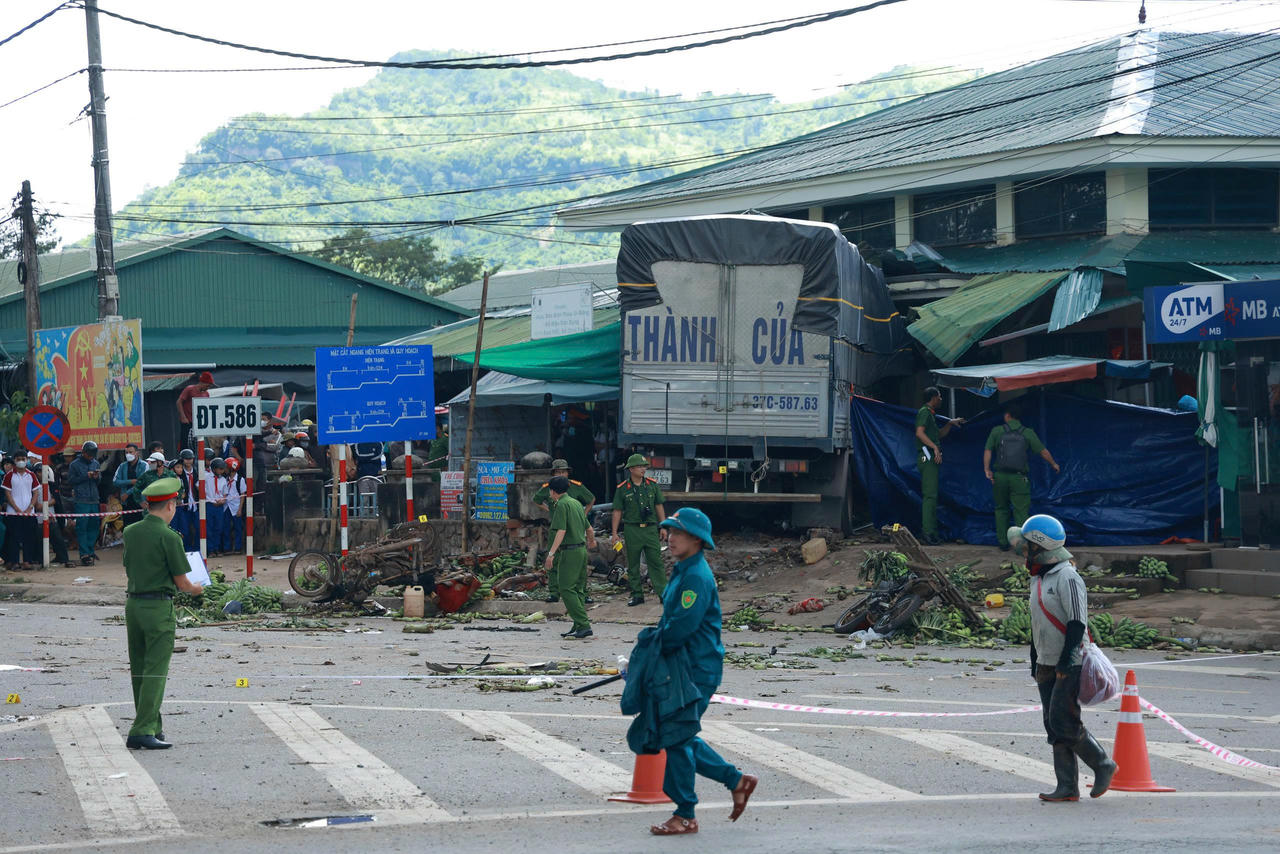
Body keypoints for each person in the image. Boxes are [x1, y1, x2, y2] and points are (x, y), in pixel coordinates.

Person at [646, 507, 757, 835]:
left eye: (677, 532)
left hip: (696, 667)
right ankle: (736, 781)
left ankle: (685, 814)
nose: (671, 537)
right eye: (669, 531)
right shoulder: (683, 568)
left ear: (696, 539)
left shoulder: (695, 575)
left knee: (676, 736)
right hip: (683, 666)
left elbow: (681, 628)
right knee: (678, 735)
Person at [1011, 514, 1116, 802]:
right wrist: (1035, 660)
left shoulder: (1067, 576)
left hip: (1070, 660)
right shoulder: (1039, 577)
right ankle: (1067, 786)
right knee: (1051, 722)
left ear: (1039, 547)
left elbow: (1077, 623)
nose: (1023, 550)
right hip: (1045, 660)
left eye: (1027, 545)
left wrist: (1067, 659)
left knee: (1063, 720)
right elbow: (1037, 624)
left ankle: (1102, 763)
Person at [123, 479, 205, 750]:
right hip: (158, 607)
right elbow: (183, 583)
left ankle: (152, 725)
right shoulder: (170, 537)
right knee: (156, 671)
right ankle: (142, 729)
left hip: (133, 605)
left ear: (148, 505)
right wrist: (197, 590)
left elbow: (128, 566)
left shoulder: (131, 532)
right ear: (171, 505)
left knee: (139, 668)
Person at [983, 403, 1061, 551]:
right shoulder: (1027, 432)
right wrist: (1054, 464)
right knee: (1020, 511)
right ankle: (1021, 546)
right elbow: (1043, 451)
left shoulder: (997, 431)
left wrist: (987, 470)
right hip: (1019, 478)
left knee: (1001, 509)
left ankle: (1003, 543)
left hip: (1000, 477)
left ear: (1007, 415)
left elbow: (988, 451)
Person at [533, 459, 596, 603]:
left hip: (573, 529)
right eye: (558, 472)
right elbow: (536, 499)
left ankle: (583, 593)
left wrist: (583, 514)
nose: (561, 474)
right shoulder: (549, 487)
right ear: (553, 474)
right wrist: (549, 510)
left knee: (579, 564)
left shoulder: (575, 487)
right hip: (556, 528)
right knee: (553, 562)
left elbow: (591, 499)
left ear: (568, 473)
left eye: (563, 472)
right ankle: (554, 593)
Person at [611, 453, 668, 606]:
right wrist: (614, 533)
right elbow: (617, 511)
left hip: (650, 529)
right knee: (633, 563)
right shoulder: (622, 489)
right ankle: (637, 595)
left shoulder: (652, 485)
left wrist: (663, 525)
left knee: (655, 562)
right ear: (631, 469)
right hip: (632, 529)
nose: (643, 469)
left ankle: (663, 593)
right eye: (640, 466)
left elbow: (659, 505)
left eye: (644, 466)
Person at [914, 387, 964, 545]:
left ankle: (932, 532)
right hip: (927, 457)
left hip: (931, 458)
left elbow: (939, 435)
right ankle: (927, 532)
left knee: (933, 496)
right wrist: (935, 448)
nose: (941, 399)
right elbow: (919, 433)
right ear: (934, 397)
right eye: (940, 396)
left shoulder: (930, 414)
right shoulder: (924, 412)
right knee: (930, 496)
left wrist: (950, 423)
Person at [544, 476, 591, 639]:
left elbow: (561, 531)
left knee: (565, 588)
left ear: (553, 491)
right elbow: (589, 528)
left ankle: (583, 624)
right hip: (581, 550)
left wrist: (551, 554)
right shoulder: (576, 503)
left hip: (570, 552)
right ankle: (578, 625)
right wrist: (591, 542)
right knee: (577, 589)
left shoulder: (562, 505)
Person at [2, 450, 42, 570]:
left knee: (29, 538)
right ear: (14, 460)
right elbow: (7, 493)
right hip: (13, 512)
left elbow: (35, 492)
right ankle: (14, 562)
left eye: (23, 459)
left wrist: (30, 508)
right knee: (13, 538)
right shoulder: (9, 475)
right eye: (18, 459)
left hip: (29, 513)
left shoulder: (31, 475)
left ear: (26, 460)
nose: (21, 461)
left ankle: (27, 561)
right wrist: (16, 508)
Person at [67, 441, 103, 566]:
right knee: (82, 527)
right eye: (89, 454)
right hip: (81, 499)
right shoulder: (74, 465)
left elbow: (99, 482)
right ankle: (84, 553)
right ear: (83, 453)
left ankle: (90, 549)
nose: (91, 456)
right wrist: (85, 476)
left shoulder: (96, 463)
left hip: (94, 498)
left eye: (93, 454)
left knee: (94, 526)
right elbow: (71, 480)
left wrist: (96, 477)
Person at [175, 372, 215, 449]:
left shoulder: (206, 394)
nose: (207, 388)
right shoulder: (190, 389)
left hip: (199, 423)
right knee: (185, 442)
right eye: (207, 386)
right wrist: (183, 417)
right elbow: (179, 402)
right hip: (188, 421)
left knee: (199, 443)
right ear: (202, 383)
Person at [172, 450, 199, 551]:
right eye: (186, 459)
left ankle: (197, 550)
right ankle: (186, 550)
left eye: (190, 458)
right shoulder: (179, 474)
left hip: (196, 505)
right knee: (185, 530)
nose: (188, 461)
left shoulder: (197, 471)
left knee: (199, 528)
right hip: (184, 505)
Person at [204, 458, 229, 555]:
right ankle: (210, 550)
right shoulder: (206, 477)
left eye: (223, 469)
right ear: (214, 469)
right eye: (220, 469)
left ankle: (217, 548)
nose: (222, 471)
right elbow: (198, 486)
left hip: (219, 506)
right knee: (209, 528)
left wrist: (222, 500)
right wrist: (207, 497)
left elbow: (225, 493)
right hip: (209, 505)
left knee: (219, 527)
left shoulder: (223, 479)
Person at [113, 443, 146, 510]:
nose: (128, 454)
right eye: (126, 452)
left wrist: (127, 493)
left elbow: (142, 482)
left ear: (137, 453)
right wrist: (130, 481)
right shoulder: (122, 466)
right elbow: (115, 481)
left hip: (140, 501)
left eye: (130, 452)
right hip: (126, 502)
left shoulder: (144, 465)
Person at [224, 458, 247, 552]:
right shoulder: (225, 479)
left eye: (226, 467)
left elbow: (242, 495)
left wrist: (240, 509)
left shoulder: (240, 480)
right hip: (226, 506)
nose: (224, 469)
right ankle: (227, 548)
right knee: (226, 528)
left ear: (231, 468)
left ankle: (238, 547)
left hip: (236, 507)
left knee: (238, 528)